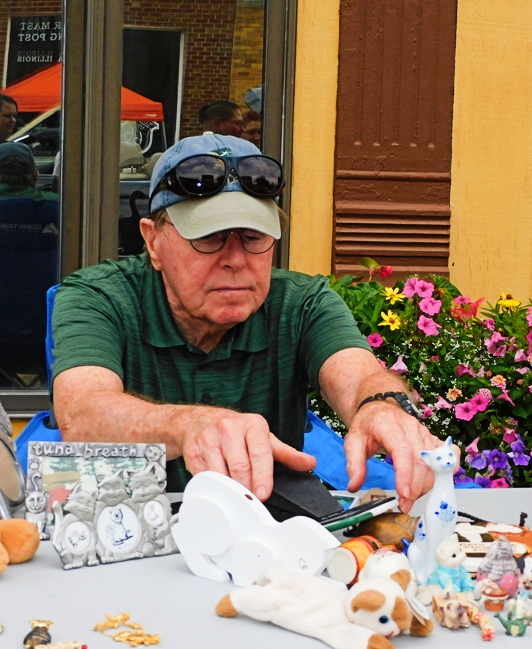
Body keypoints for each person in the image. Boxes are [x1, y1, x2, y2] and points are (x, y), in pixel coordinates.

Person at [51, 133, 445, 512]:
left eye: (253, 236)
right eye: (209, 237)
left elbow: (359, 377)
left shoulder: (301, 303)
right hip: (128, 535)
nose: (236, 259)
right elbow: (81, 414)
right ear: (154, 241)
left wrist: (381, 406)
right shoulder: (99, 297)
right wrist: (188, 425)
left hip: (266, 541)